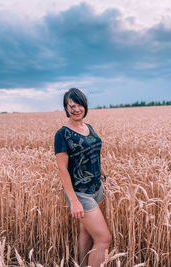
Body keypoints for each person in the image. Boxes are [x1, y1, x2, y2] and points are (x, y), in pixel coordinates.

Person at [54, 88, 112, 267]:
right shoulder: (62, 134)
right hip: (80, 193)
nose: (76, 109)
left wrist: (106, 176)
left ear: (85, 106)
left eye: (79, 105)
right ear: (66, 108)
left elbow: (93, 156)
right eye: (72, 106)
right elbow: (62, 170)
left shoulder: (89, 128)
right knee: (104, 239)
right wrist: (74, 201)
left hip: (96, 189)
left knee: (86, 233)